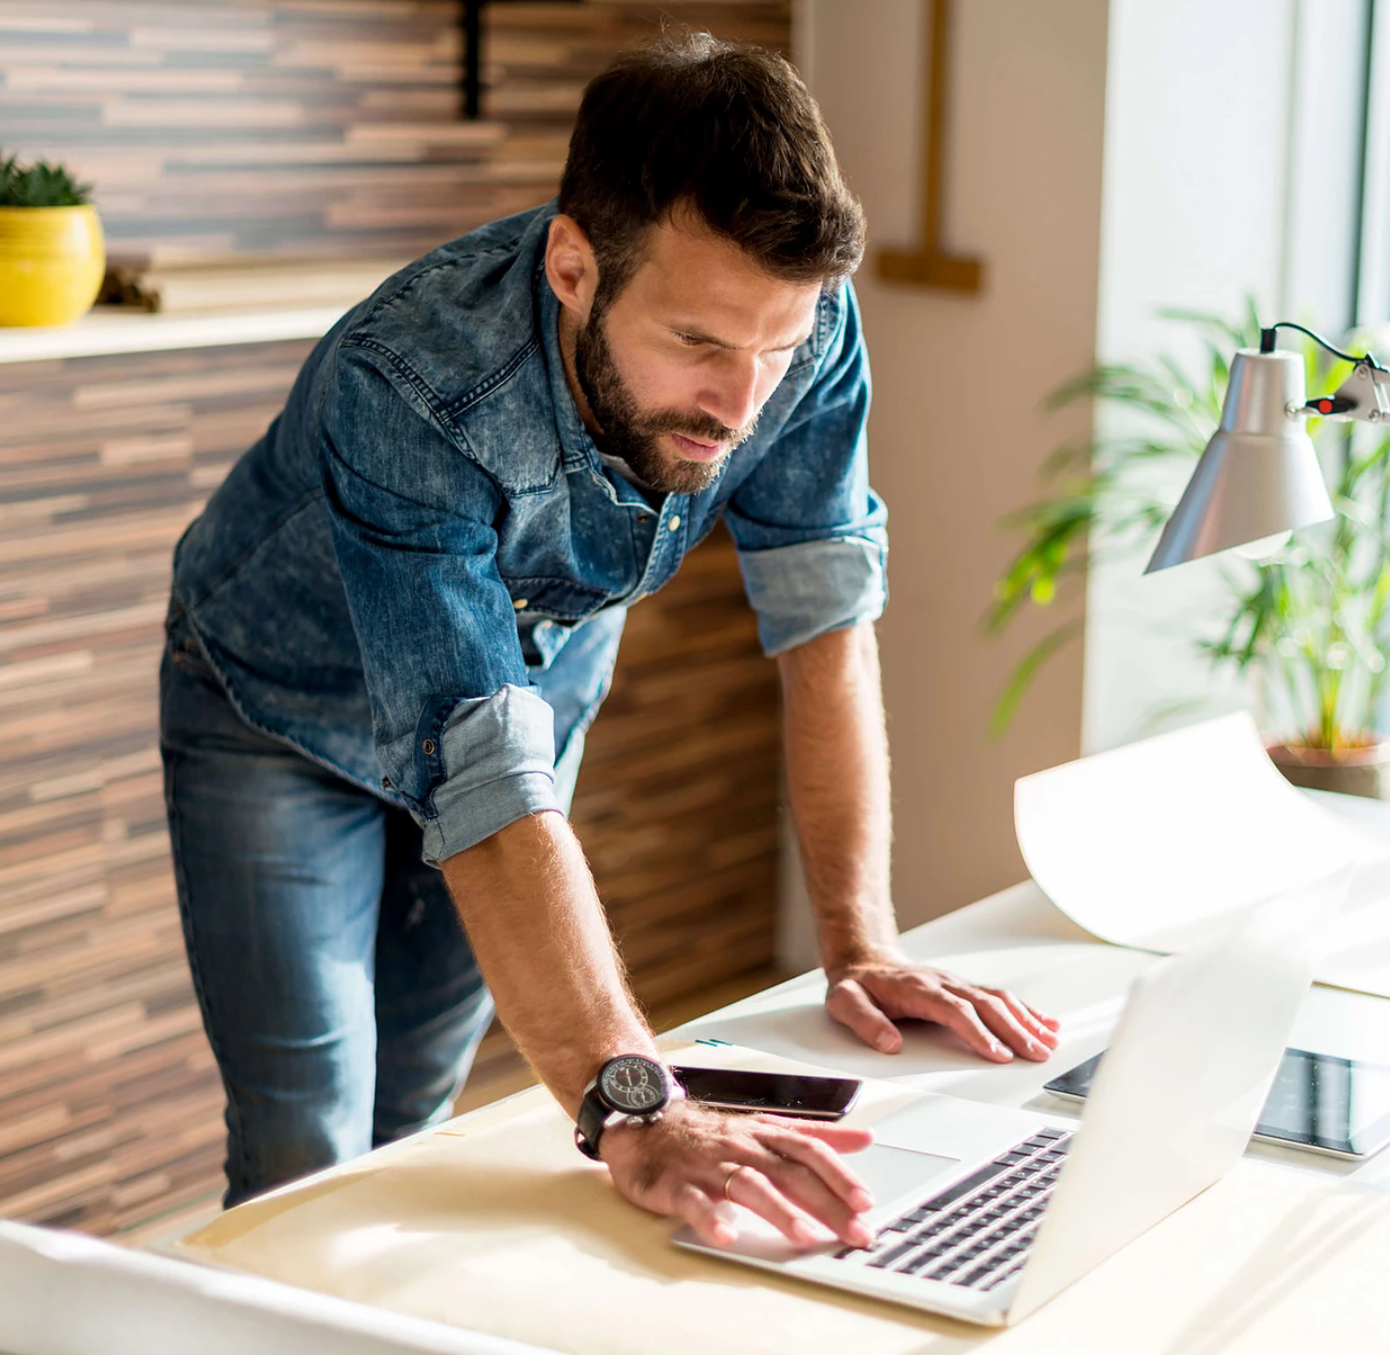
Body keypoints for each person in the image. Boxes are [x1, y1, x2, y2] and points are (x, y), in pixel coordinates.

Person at [160, 30, 1059, 1252]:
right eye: (696, 344)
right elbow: (473, 763)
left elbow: (825, 623)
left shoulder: (795, 330)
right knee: (308, 1134)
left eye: (775, 348)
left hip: (529, 686)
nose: (742, 405)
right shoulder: (410, 381)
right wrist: (637, 1105)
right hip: (281, 708)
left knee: (416, 1111)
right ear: (574, 266)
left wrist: (859, 943)